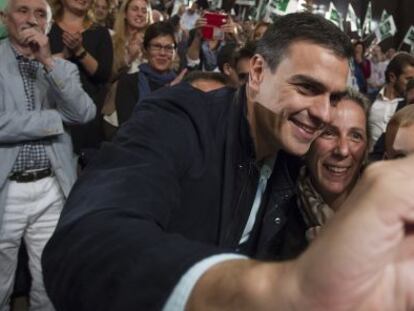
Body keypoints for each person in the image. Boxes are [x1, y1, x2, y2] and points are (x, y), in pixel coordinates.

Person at [42, 13, 361, 310]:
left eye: (333, 98)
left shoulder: (295, 160)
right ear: (259, 73)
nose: (323, 113)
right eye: (307, 88)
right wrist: (227, 289)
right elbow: (87, 240)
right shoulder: (180, 119)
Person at [0, 0, 96, 309]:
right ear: (4, 18)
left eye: (40, 13)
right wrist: (54, 121)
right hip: (6, 189)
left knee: (48, 281)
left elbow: (84, 112)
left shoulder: (62, 67)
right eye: (22, 10)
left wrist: (48, 61)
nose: (31, 19)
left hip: (51, 189)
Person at [296, 89, 370, 243]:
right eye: (329, 133)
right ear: (307, 142)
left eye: (355, 136)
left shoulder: (388, 213)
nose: (342, 150)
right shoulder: (275, 209)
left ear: (366, 150)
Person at [48, 0, 113, 156]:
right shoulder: (47, 28)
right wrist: (64, 55)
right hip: (53, 112)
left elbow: (103, 75)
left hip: (89, 116)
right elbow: (37, 64)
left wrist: (79, 50)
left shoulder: (100, 32)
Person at [368, 52, 414, 158]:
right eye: (409, 79)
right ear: (392, 77)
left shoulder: (409, 106)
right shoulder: (369, 100)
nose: (412, 83)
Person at [111, 0, 152, 79]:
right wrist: (129, 57)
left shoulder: (153, 43)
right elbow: (106, 76)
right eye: (135, 9)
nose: (140, 14)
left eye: (144, 11)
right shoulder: (111, 39)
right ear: (125, 14)